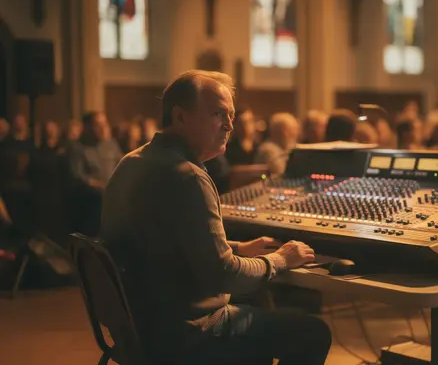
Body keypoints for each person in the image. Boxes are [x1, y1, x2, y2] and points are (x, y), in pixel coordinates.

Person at [100, 70, 331, 364]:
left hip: (138, 329)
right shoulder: (187, 176)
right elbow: (225, 275)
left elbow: (161, 246)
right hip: (184, 334)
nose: (229, 125)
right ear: (181, 117)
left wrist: (236, 248)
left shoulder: (131, 162)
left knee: (257, 301)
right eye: (218, 114)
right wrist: (281, 259)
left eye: (231, 115)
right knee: (313, 331)